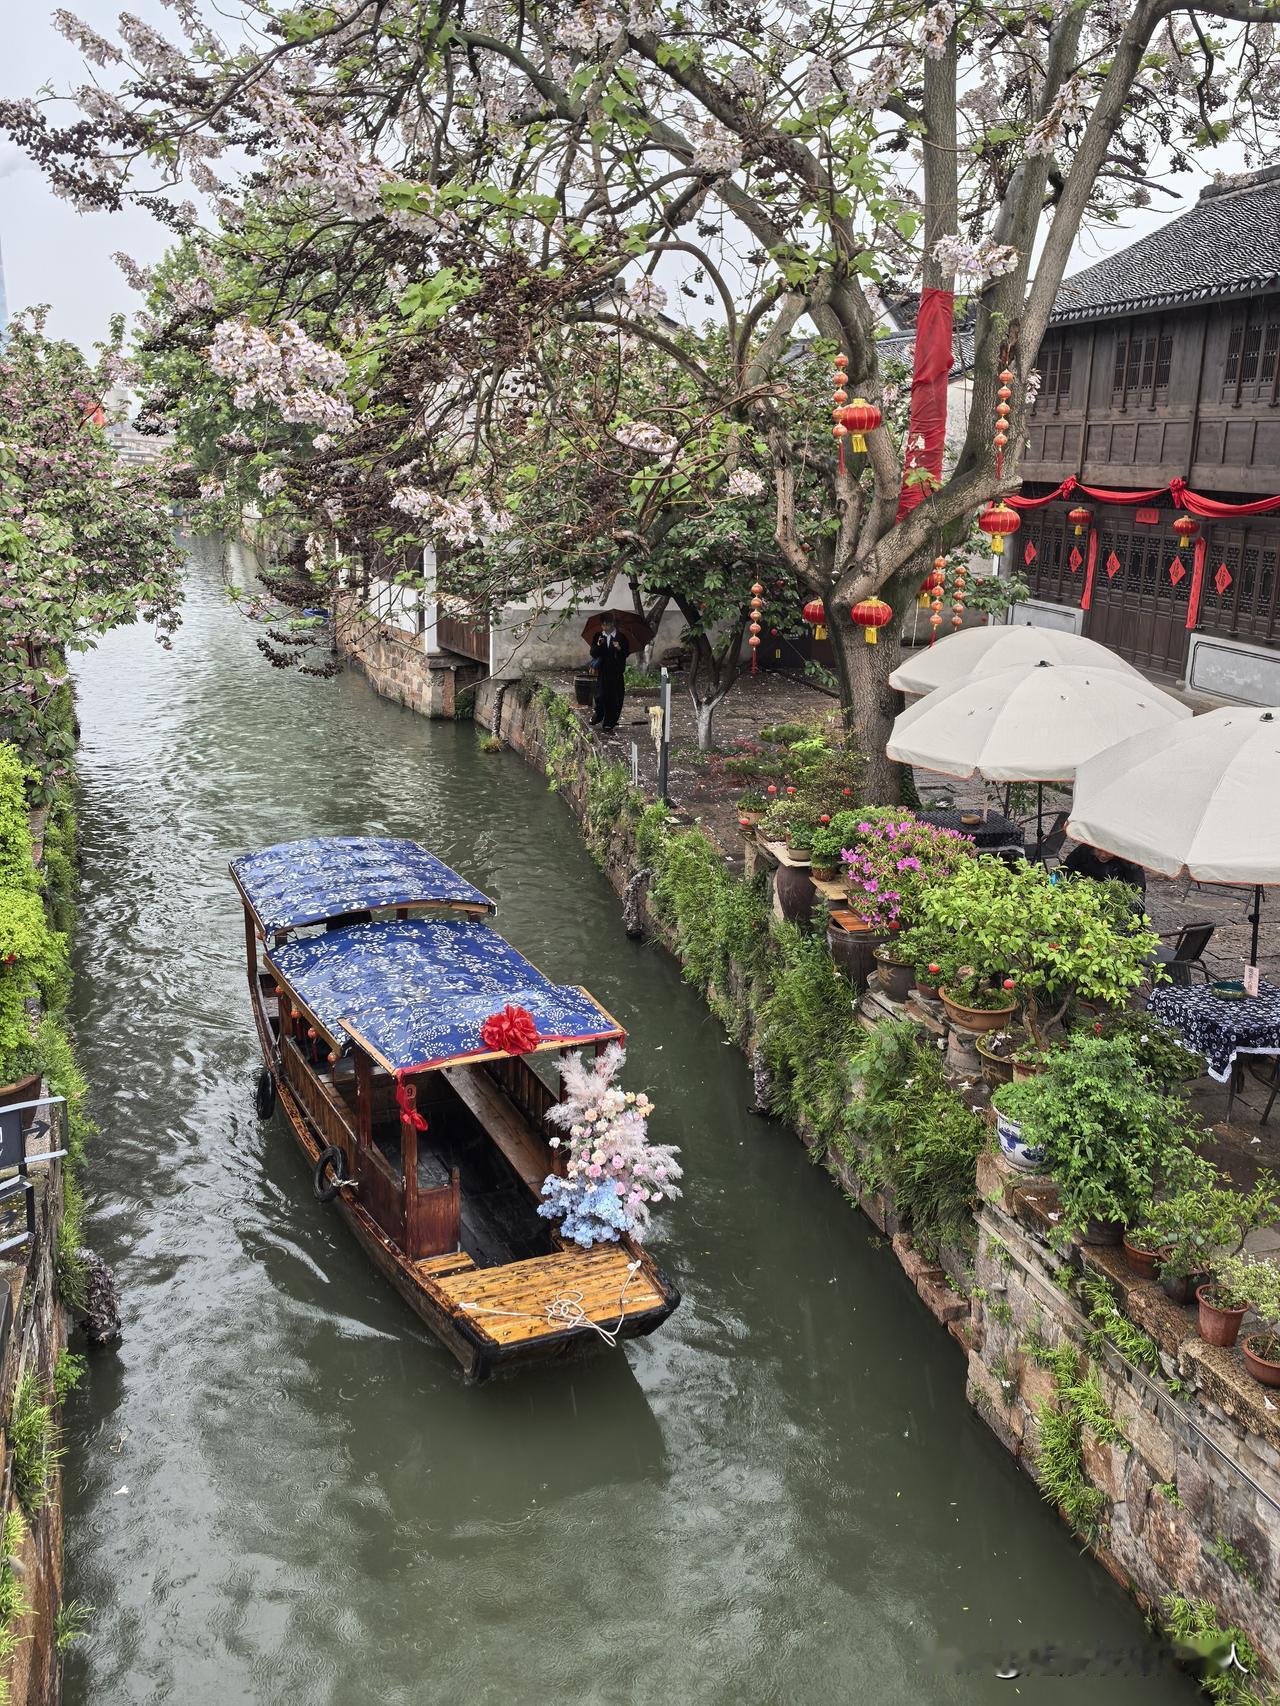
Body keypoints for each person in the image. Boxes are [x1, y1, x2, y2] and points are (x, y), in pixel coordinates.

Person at [589, 614, 630, 731]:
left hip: (616, 672)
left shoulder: (621, 637)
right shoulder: (598, 636)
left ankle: (609, 722)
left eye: (607, 624)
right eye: (602, 625)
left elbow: (626, 653)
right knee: (600, 695)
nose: (604, 627)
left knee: (614, 697)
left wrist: (619, 648)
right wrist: (598, 645)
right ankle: (599, 714)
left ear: (612, 624)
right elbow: (593, 653)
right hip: (603, 671)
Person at [1061, 840, 1146, 892]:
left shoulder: (1128, 858)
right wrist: (1080, 881)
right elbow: (1064, 870)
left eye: (1108, 852)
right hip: (1084, 891)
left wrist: (1117, 889)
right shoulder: (1084, 849)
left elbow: (1140, 885)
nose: (1103, 855)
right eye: (1098, 850)